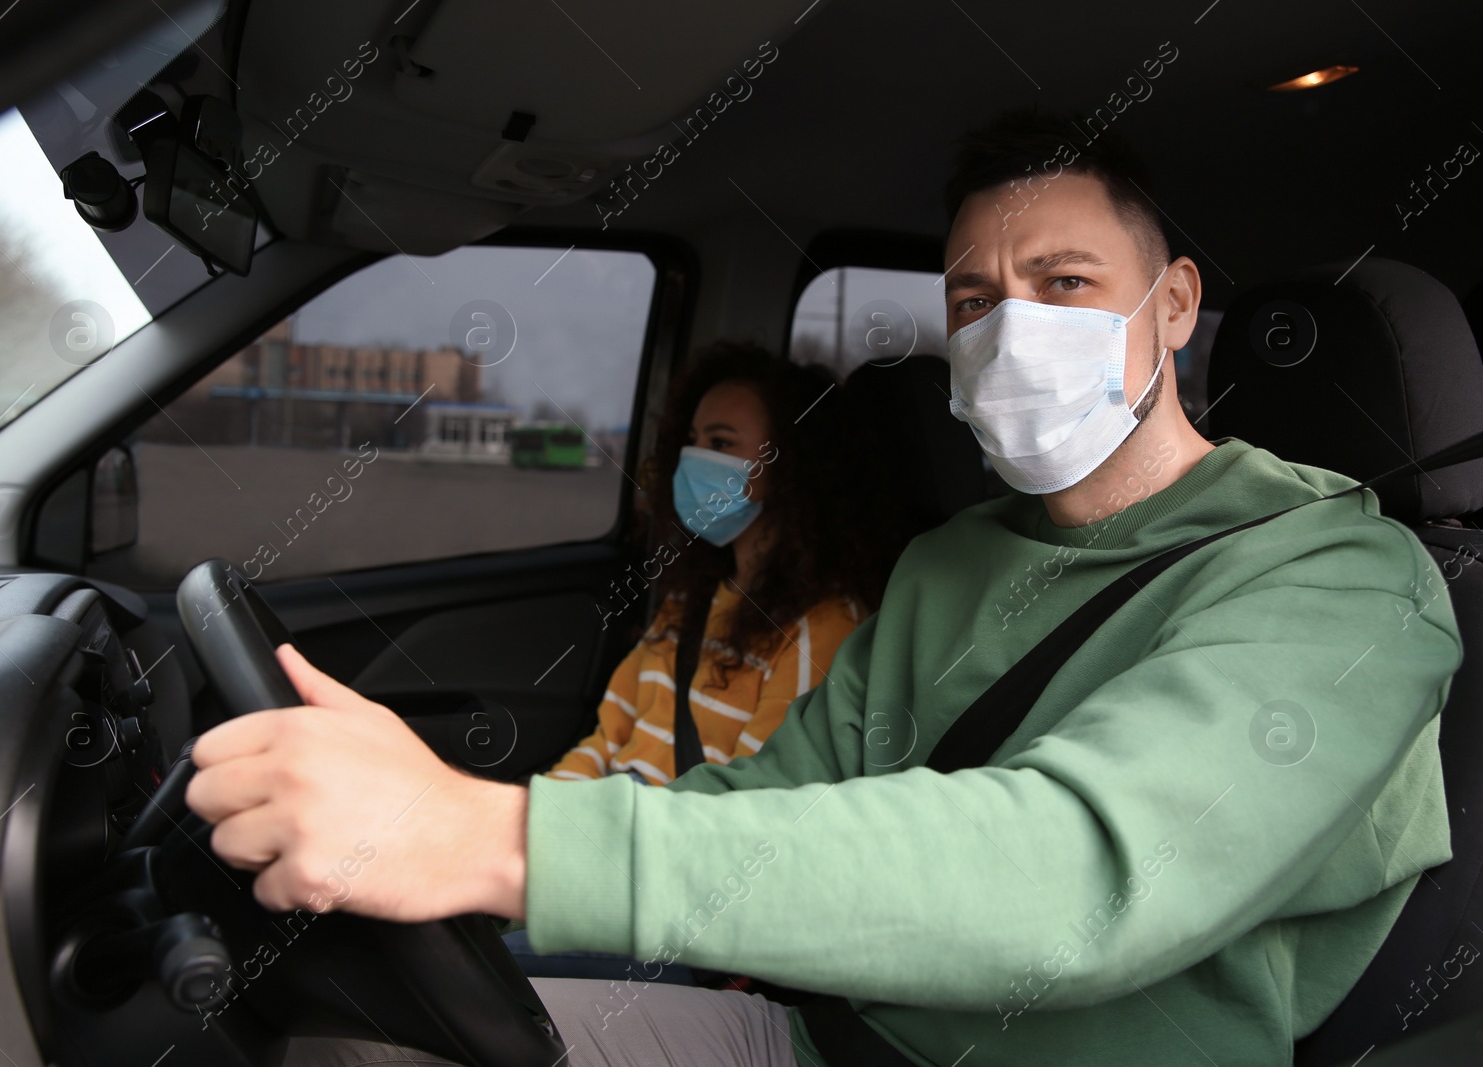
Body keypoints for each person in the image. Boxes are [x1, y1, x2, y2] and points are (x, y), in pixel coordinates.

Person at [186, 110, 1461, 1067]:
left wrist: (489, 838)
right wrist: (451, 804)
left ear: (1172, 304)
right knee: (365, 1041)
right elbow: (772, 794)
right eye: (975, 297)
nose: (1011, 328)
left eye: (1065, 284)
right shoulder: (948, 561)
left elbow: (1079, 871)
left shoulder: (1342, 579)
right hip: (826, 1037)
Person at [549, 341, 898, 788]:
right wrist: (546, 810)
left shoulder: (822, 629)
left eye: (720, 443)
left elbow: (748, 799)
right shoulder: (690, 599)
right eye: (692, 441)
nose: (694, 458)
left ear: (790, 463)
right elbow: (607, 739)